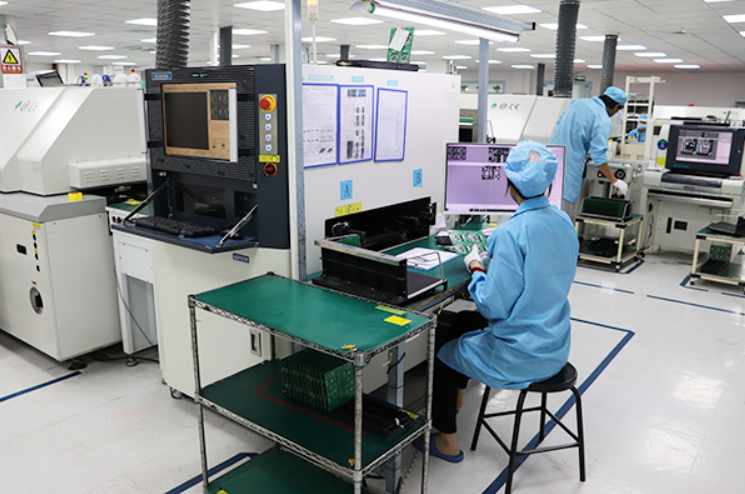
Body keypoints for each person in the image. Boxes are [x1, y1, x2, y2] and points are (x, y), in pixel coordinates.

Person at [415, 141, 579, 462]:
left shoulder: (511, 233)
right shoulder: (563, 222)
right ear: (548, 182)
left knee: (443, 353)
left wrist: (477, 268)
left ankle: (447, 443)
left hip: (520, 355)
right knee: (462, 322)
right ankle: (457, 402)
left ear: (509, 183)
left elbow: (492, 306)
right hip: (554, 346)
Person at [549, 86, 630, 219]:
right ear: (616, 106)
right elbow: (599, 155)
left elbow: (559, 124)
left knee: (544, 211)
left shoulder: (578, 103)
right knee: (562, 217)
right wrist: (614, 180)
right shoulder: (602, 119)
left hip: (549, 160)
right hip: (568, 168)